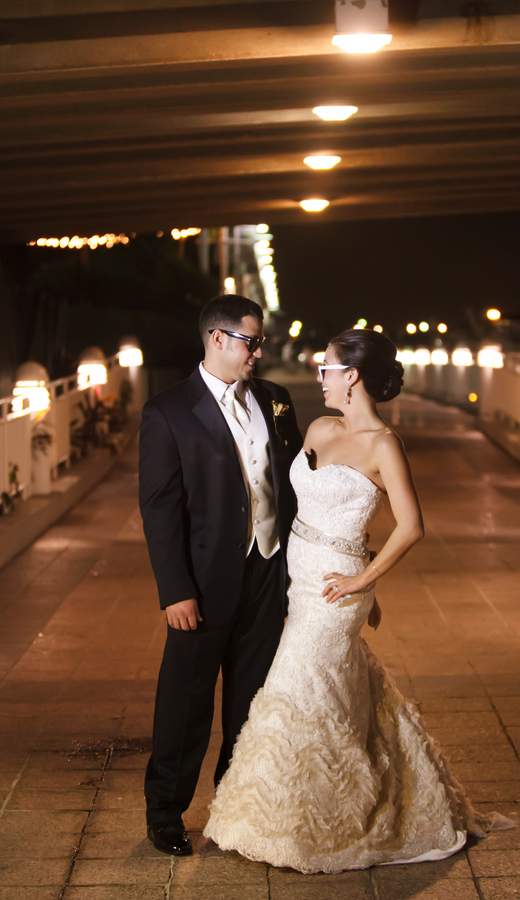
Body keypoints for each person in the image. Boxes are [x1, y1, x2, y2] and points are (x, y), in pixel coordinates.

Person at [204, 327, 514, 873]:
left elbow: (412, 526)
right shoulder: (320, 427)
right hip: (294, 574)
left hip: (334, 586)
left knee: (300, 685)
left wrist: (363, 580)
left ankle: (315, 816)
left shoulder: (383, 445)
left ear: (351, 376)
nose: (318, 375)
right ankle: (289, 805)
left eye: (325, 367)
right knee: (325, 683)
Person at [139, 294, 303, 856]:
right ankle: (165, 812)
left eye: (260, 342)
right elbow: (159, 509)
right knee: (185, 702)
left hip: (266, 571)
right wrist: (175, 590)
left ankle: (235, 807)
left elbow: (291, 486)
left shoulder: (276, 401)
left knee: (251, 701)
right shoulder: (167, 412)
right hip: (202, 584)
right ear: (217, 339)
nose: (259, 352)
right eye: (251, 342)